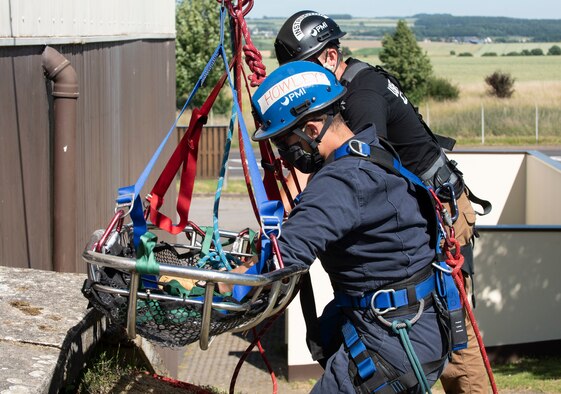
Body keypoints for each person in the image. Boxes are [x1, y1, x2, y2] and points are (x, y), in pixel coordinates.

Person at [274, 11, 490, 394]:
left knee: (451, 334)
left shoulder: (361, 96)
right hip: (423, 210)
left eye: (300, 69)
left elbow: (358, 172)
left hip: (444, 214)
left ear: (328, 58)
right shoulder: (349, 88)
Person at [251, 60, 451, 393]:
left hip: (396, 340)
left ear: (311, 131)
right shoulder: (368, 147)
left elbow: (280, 261)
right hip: (410, 327)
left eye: (287, 145)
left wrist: (207, 289)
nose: (287, 157)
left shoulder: (342, 182)